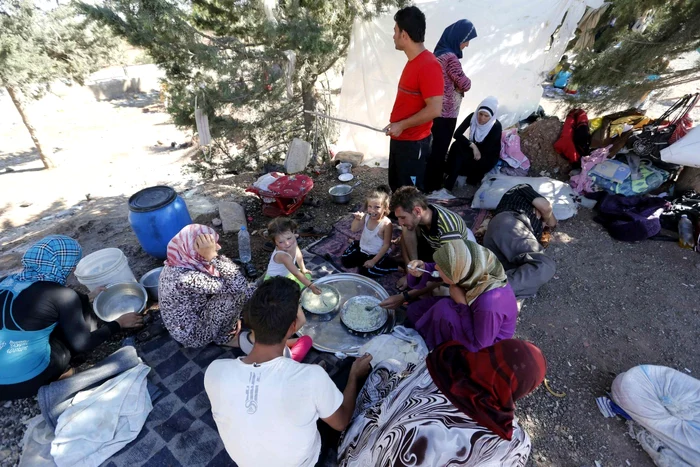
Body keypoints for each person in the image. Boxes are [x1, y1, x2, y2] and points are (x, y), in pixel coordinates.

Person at [205, 277, 373, 467]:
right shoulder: (312, 377)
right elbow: (341, 422)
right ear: (294, 326)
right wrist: (354, 376)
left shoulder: (214, 371)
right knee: (346, 372)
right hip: (303, 462)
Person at [338, 339, 547, 466]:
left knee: (387, 368)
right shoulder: (513, 443)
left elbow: (402, 383)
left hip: (353, 458)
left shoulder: (442, 363)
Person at [0, 235, 143, 401]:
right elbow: (83, 343)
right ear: (60, 263)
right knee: (72, 332)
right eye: (72, 263)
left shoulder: (6, 281)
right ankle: (63, 374)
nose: (73, 269)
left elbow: (32, 313)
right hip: (25, 382)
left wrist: (85, 297)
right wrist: (119, 323)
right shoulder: (61, 295)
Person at [405, 239, 518, 351]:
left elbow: (480, 345)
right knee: (414, 310)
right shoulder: (475, 269)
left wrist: (462, 304)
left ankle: (433, 347)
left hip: (484, 346)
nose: (436, 267)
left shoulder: (489, 304)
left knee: (443, 309)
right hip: (470, 311)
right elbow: (447, 268)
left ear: (458, 274)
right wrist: (424, 268)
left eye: (441, 267)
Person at [159, 224, 254, 348]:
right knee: (236, 295)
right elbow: (239, 286)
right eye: (210, 246)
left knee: (247, 291)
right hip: (194, 334)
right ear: (193, 250)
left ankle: (230, 322)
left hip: (198, 312)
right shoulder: (186, 278)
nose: (218, 247)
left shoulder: (182, 260)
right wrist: (212, 256)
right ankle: (226, 337)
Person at [380, 186, 476, 309]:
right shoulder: (421, 216)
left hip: (456, 255)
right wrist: (410, 268)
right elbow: (404, 238)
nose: (399, 222)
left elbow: (446, 274)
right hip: (434, 246)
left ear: (418, 211)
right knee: (407, 227)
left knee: (443, 293)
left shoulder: (449, 232)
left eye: (402, 217)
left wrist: (404, 297)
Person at [384, 6, 444, 192]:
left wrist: (402, 125)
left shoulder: (429, 65)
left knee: (410, 195)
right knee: (397, 188)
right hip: (401, 139)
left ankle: (410, 222)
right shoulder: (413, 61)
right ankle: (397, 220)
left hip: (414, 144)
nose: (393, 35)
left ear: (404, 35)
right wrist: (396, 124)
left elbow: (435, 109)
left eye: (395, 31)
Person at [426, 19, 477, 193]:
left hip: (433, 108)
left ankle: (428, 181)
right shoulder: (451, 58)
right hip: (446, 113)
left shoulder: (437, 54)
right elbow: (465, 84)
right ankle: (432, 185)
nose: (467, 45)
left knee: (433, 148)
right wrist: (460, 85)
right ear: (458, 38)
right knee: (440, 150)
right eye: (466, 40)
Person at [483, 184, 557, 298]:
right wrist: (545, 216)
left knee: (531, 282)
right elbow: (546, 207)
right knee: (544, 265)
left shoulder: (534, 228)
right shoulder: (521, 188)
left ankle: (492, 292)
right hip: (509, 224)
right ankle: (488, 292)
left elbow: (553, 224)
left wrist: (543, 218)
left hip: (502, 243)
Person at [445, 96, 503, 190]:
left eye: (486, 116)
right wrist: (473, 146)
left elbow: (486, 151)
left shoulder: (495, 126)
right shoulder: (473, 117)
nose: (482, 118)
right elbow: (457, 134)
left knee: (461, 155)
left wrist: (473, 149)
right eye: (480, 114)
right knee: (456, 145)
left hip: (486, 156)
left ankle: (453, 179)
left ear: (492, 116)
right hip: (475, 150)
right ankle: (450, 179)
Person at [341, 185, 399, 278]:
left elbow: (386, 245)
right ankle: (357, 244)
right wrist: (357, 219)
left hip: (376, 253)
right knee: (346, 261)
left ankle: (394, 266)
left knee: (368, 273)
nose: (372, 210)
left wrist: (374, 261)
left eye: (377, 207)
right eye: (370, 206)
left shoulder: (386, 224)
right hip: (364, 248)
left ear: (385, 208)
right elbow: (354, 229)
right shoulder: (366, 217)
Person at [265, 217, 321, 294]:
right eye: (281, 242)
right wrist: (311, 286)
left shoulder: (293, 242)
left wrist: (303, 269)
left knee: (307, 276)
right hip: (275, 282)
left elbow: (298, 254)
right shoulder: (283, 256)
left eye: (289, 238)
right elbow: (296, 274)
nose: (287, 243)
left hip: (287, 274)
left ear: (293, 232)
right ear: (275, 242)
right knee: (295, 292)